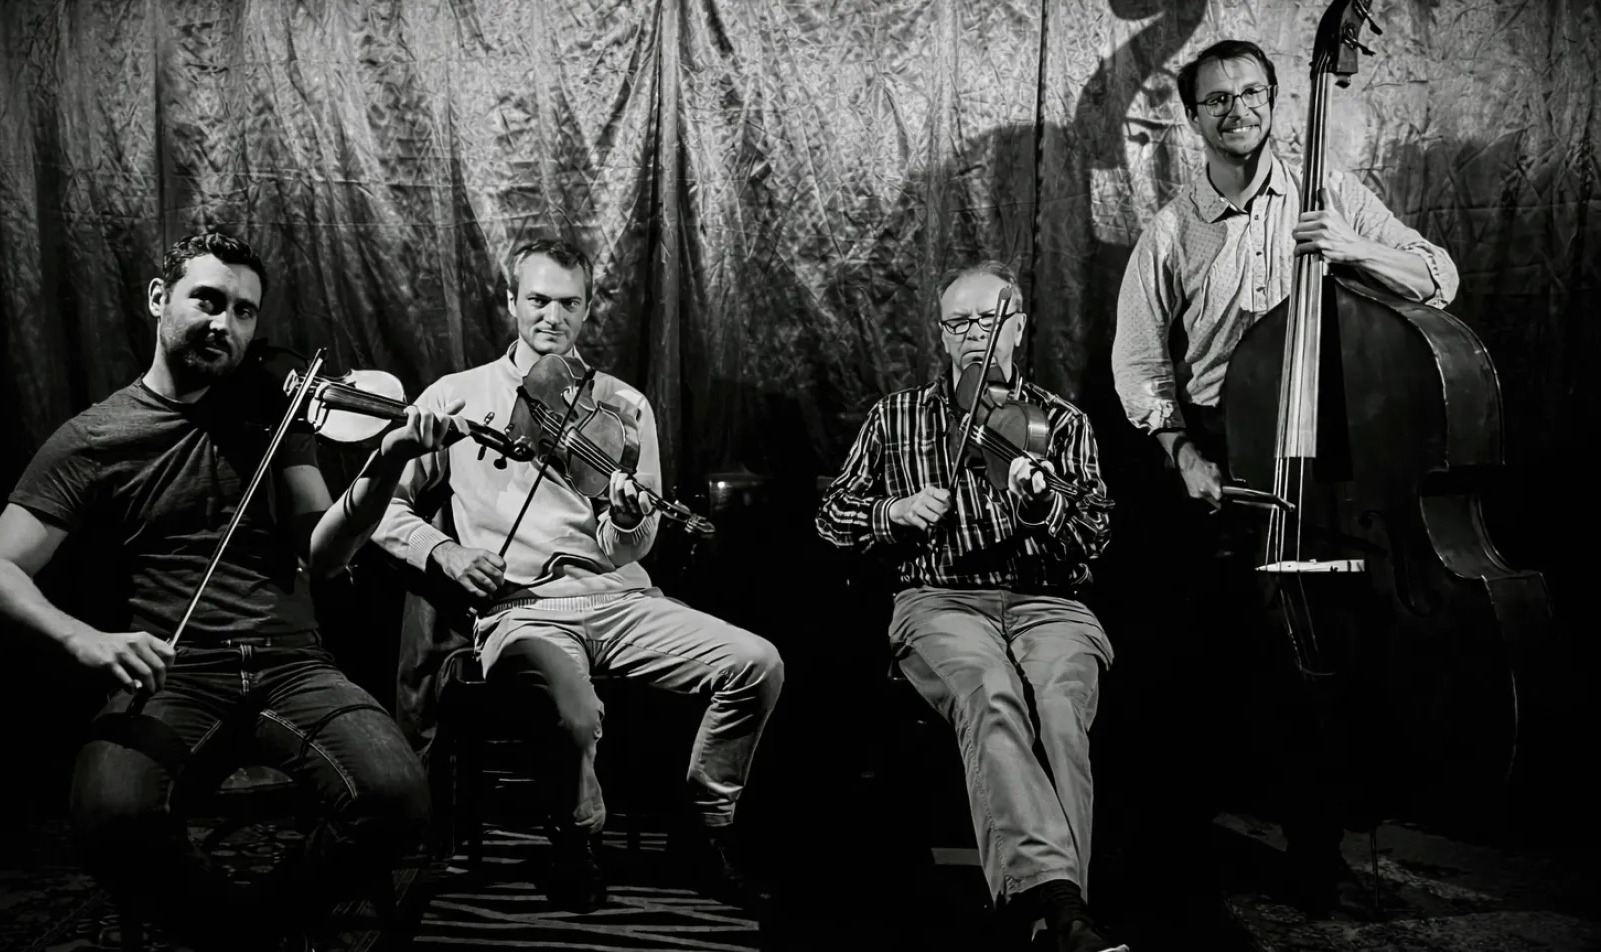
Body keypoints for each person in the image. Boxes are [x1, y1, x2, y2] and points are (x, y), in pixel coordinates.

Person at [0, 231, 466, 951]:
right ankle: (244, 933)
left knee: (398, 797)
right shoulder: (95, 436)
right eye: (207, 301)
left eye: (244, 311)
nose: (224, 325)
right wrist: (86, 638)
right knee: (110, 814)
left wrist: (386, 464)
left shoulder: (274, 416)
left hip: (292, 664)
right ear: (158, 298)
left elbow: (324, 555)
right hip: (176, 669)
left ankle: (249, 930)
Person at [1110, 39, 1461, 918]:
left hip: (1333, 460)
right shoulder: (1172, 230)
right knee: (1223, 664)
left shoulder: (1327, 191)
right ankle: (1207, 855)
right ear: (1193, 119)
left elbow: (1440, 278)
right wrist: (1182, 454)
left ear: (1274, 101)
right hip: (1229, 459)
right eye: (1217, 99)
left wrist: (1351, 246)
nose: (1238, 110)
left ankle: (1322, 841)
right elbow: (1139, 367)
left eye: (1253, 93)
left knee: (1340, 657)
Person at [373, 237, 783, 912]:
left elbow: (629, 549)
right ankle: (576, 839)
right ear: (511, 301)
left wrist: (624, 519)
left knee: (757, 664)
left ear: (588, 308)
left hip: (619, 600)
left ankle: (703, 827)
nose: (552, 317)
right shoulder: (457, 398)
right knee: (572, 711)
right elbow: (381, 507)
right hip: (522, 609)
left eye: (569, 303)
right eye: (537, 300)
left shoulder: (622, 406)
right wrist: (444, 553)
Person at [817, 261, 1127, 952]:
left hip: (1051, 602)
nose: (973, 336)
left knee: (1060, 708)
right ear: (941, 334)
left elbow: (1095, 537)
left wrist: (1045, 506)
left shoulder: (1061, 423)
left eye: (988, 320)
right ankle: (1065, 912)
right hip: (941, 598)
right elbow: (832, 516)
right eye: (958, 323)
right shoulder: (897, 416)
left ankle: (1049, 915)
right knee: (990, 691)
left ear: (1018, 327)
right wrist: (891, 512)